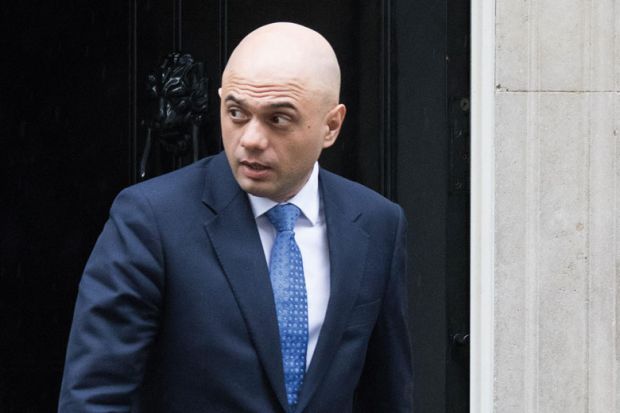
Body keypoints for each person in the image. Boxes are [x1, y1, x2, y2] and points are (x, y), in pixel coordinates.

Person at [58, 22, 413, 412]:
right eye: (237, 113)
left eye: (278, 118)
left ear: (331, 125)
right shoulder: (151, 220)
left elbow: (387, 393)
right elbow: (95, 396)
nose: (251, 139)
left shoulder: (377, 223)